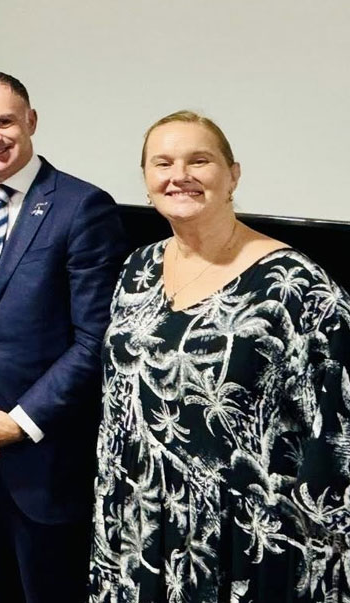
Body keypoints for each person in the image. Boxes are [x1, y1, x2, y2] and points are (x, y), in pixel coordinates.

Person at [89, 111, 350, 602]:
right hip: (140, 518)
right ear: (145, 179)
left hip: (245, 540)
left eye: (199, 161)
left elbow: (337, 431)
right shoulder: (137, 267)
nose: (179, 175)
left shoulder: (296, 285)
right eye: (162, 163)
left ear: (233, 175)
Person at [0, 71, 127, 603]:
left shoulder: (82, 206)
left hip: (43, 461)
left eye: (4, 121)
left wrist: (19, 422)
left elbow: (95, 340)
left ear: (31, 121)